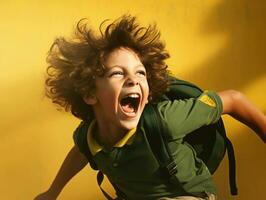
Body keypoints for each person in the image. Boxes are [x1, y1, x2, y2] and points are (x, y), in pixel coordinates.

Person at [35, 15, 266, 200]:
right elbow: (80, 152)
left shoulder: (166, 120)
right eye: (117, 73)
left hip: (188, 195)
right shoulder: (88, 136)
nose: (133, 80)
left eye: (140, 73)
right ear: (89, 93)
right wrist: (52, 192)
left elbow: (233, 99)